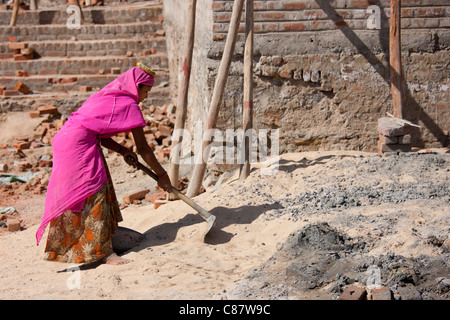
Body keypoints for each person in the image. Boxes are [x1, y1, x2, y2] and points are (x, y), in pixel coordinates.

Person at [35, 63, 172, 265]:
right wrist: (162, 176)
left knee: (101, 185)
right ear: (138, 86)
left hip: (68, 138)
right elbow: (143, 149)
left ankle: (103, 241)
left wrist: (123, 151)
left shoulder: (110, 96)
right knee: (94, 191)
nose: (146, 97)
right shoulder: (129, 104)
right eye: (146, 91)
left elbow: (96, 131)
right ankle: (104, 254)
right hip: (78, 144)